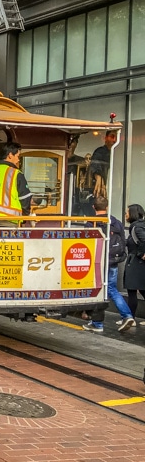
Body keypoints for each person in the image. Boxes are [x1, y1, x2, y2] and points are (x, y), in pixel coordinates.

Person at [83, 196, 135, 333]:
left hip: (97, 261)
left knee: (97, 290)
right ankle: (127, 315)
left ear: (93, 207)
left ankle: (97, 323)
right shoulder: (116, 222)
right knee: (111, 289)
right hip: (113, 261)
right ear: (107, 207)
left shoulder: (91, 223)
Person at [123, 204, 145, 323]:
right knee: (141, 290)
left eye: (127, 212)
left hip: (137, 263)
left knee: (132, 290)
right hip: (138, 263)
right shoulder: (141, 225)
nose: (125, 215)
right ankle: (130, 317)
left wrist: (141, 253)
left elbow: (143, 241)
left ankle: (130, 318)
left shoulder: (136, 227)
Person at [89, 130, 117, 199]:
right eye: (112, 136)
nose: (114, 140)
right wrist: (98, 177)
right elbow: (95, 163)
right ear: (105, 138)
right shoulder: (100, 151)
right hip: (102, 187)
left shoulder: (119, 153)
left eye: (116, 137)